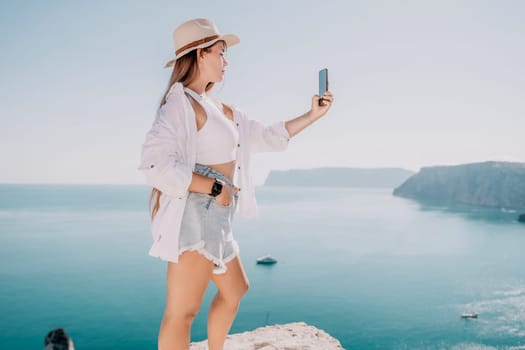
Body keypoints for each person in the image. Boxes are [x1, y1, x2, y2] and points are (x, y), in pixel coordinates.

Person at [137, 18, 334, 350]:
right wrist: (215, 187)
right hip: (197, 211)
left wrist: (312, 115)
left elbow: (267, 137)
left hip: (219, 215)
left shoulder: (220, 108)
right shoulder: (180, 104)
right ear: (199, 55)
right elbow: (154, 165)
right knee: (181, 313)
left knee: (235, 289)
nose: (227, 61)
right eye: (221, 52)